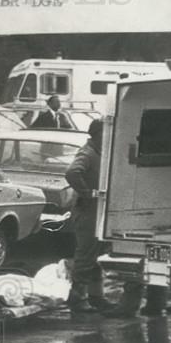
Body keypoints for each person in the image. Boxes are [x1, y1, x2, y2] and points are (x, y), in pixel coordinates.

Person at [64, 119, 112, 312]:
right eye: (105, 132)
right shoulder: (88, 152)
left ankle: (96, 296)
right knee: (85, 254)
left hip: (97, 211)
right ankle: (77, 298)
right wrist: (87, 192)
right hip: (87, 210)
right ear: (98, 134)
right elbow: (72, 172)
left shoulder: (99, 151)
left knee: (97, 254)